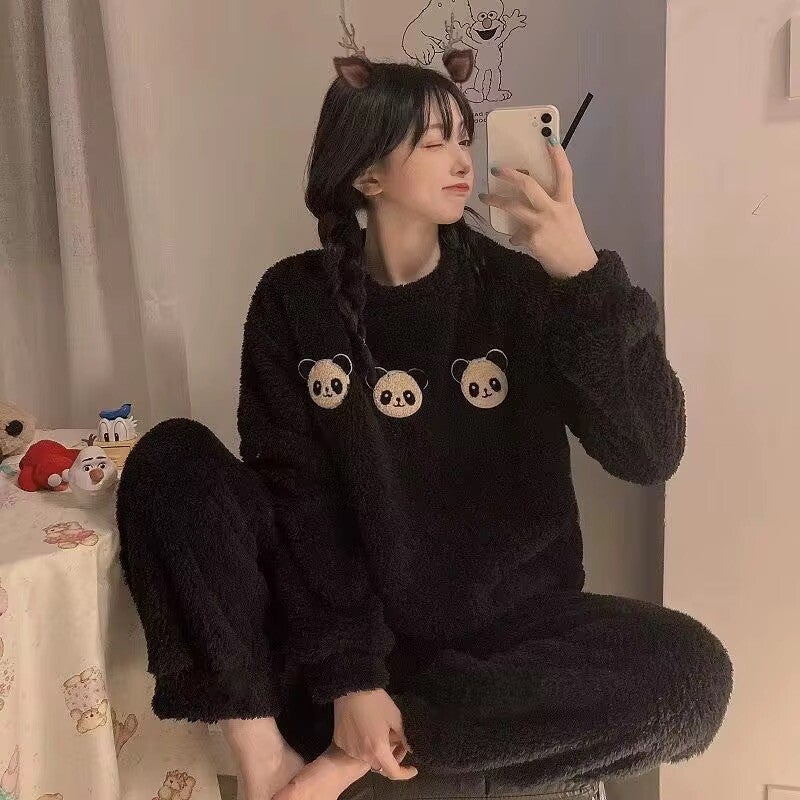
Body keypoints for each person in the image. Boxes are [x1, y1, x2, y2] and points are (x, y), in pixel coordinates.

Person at [115, 52, 733, 800]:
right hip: (345, 642)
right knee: (171, 458)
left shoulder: (520, 290)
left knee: (692, 679)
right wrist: (352, 678)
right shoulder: (294, 301)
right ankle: (265, 761)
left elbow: (650, 450)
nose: (463, 161)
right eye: (435, 142)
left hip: (503, 649)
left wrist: (580, 273)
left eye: (464, 138)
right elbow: (300, 501)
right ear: (367, 175)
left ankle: (370, 752)